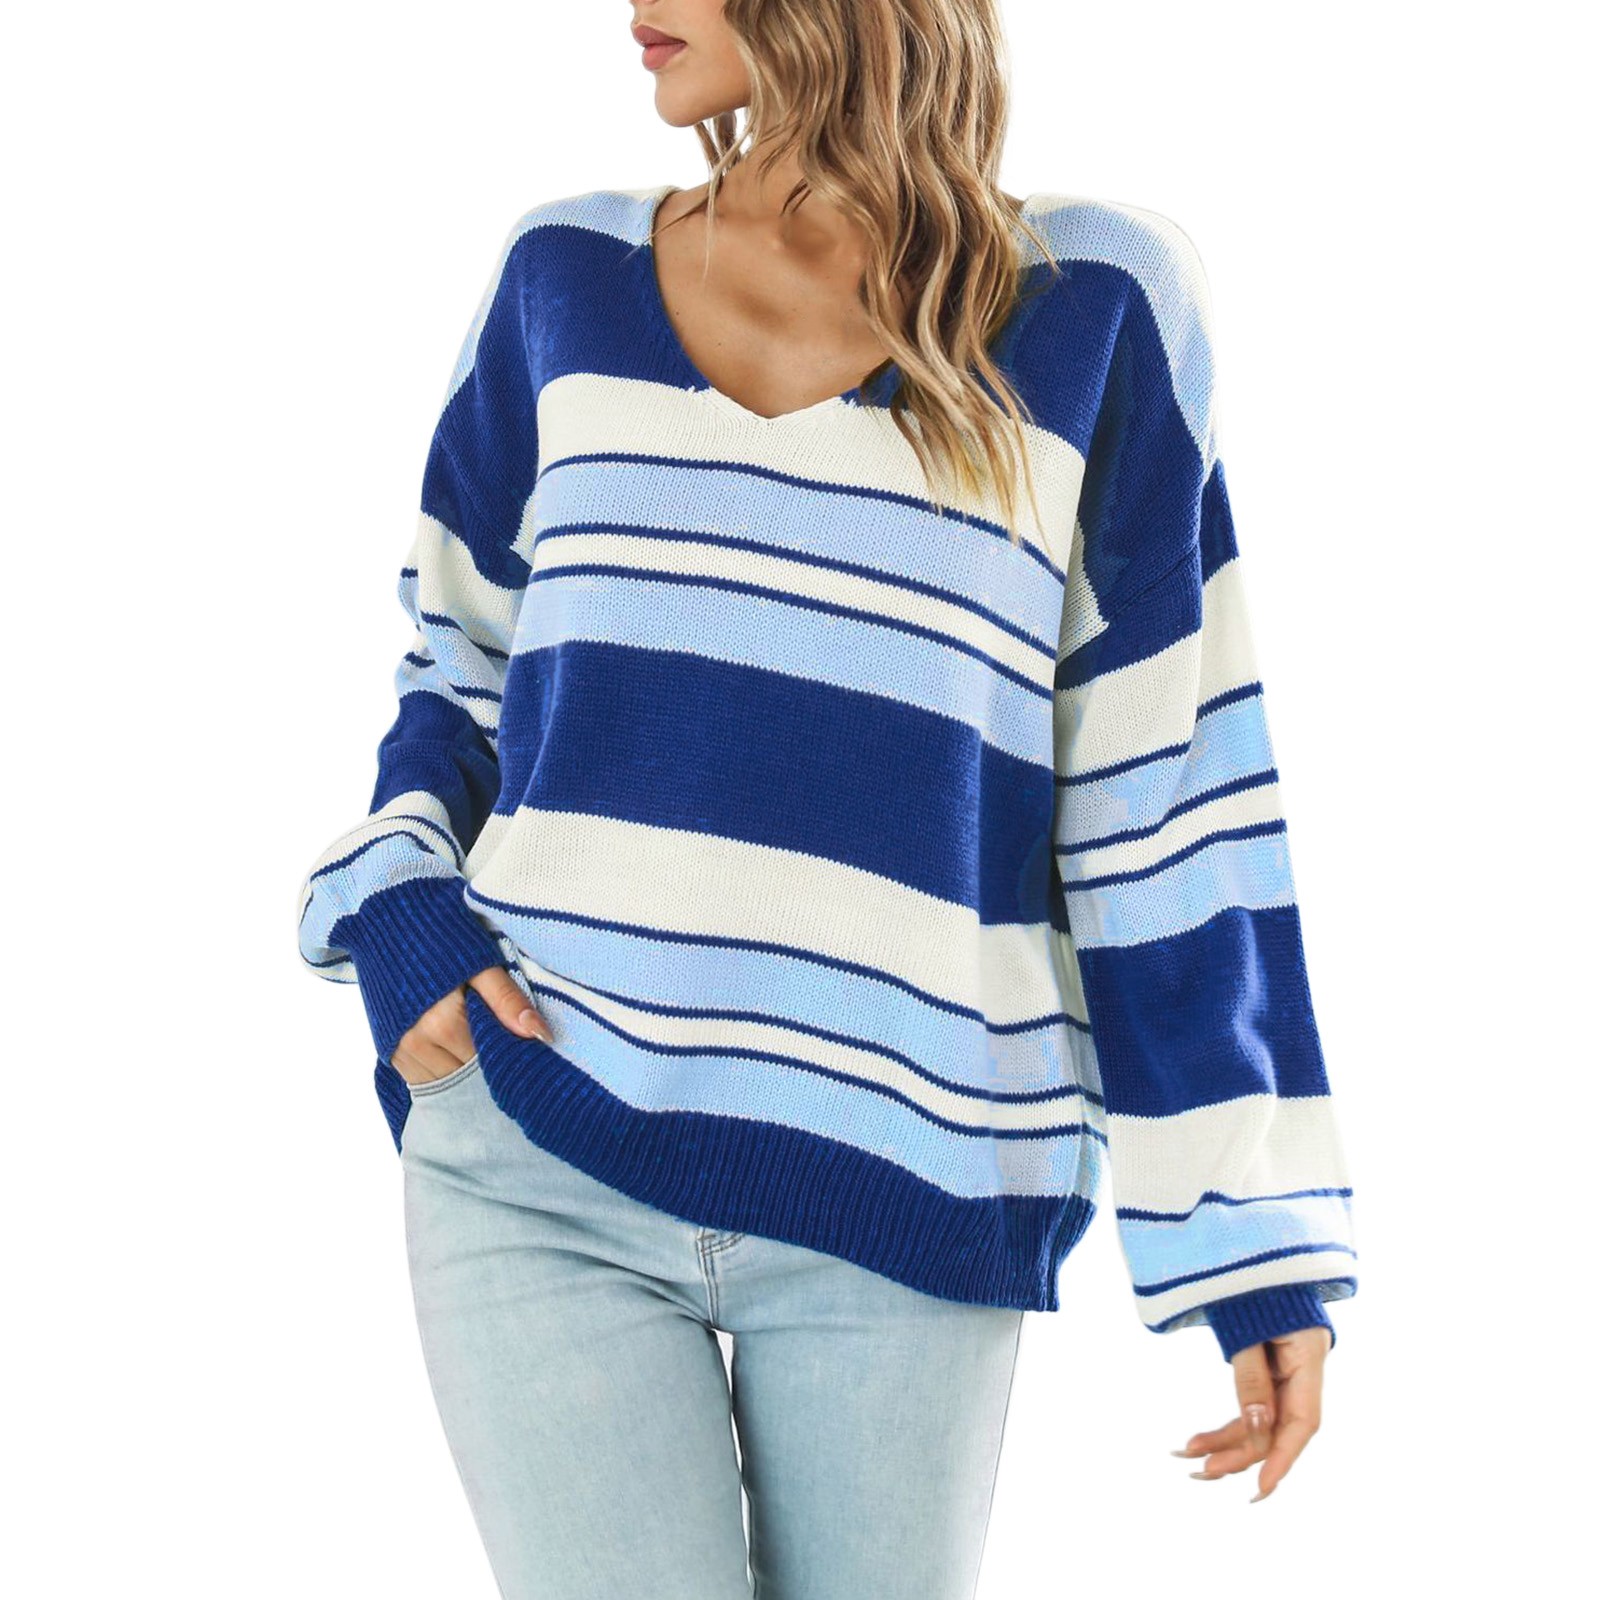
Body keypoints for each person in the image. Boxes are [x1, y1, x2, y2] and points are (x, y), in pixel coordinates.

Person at [294, 2, 1359, 1593]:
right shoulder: (559, 276)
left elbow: (1165, 789)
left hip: (908, 1179)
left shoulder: (1096, 307)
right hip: (537, 1142)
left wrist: (1247, 1235)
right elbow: (458, 672)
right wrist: (399, 915)